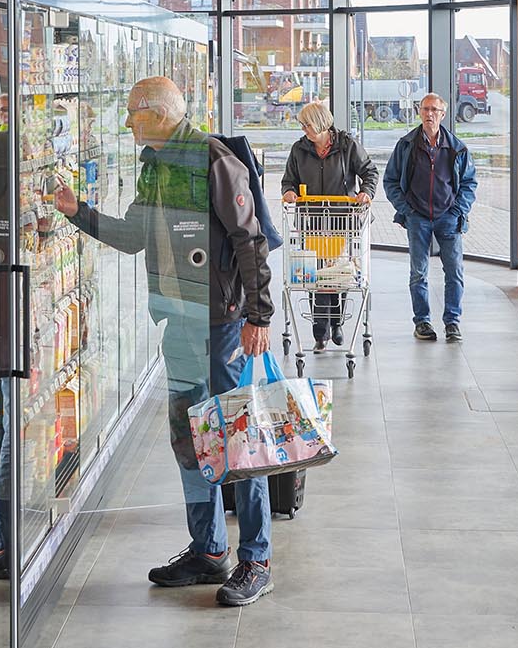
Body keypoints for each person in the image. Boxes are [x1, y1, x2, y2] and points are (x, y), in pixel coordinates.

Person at [54, 76, 276, 607]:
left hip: (223, 328)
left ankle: (257, 558)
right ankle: (208, 550)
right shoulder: (154, 166)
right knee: (190, 438)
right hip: (178, 323)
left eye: (133, 112)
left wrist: (259, 315)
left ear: (157, 113)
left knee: (237, 437)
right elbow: (133, 238)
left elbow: (250, 241)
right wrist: (76, 211)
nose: (127, 121)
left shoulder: (215, 161)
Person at [281, 101, 377, 352]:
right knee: (316, 278)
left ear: (322, 124)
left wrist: (366, 192)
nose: (304, 130)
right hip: (311, 224)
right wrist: (289, 192)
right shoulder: (299, 149)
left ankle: (337, 324)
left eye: (307, 124)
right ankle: (320, 332)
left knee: (339, 275)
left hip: (341, 222)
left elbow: (370, 172)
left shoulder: (348, 146)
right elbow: (288, 180)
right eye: (302, 125)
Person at [383, 92, 478, 342]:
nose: (429, 114)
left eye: (434, 110)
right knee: (418, 273)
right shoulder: (406, 145)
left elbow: (469, 183)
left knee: (454, 272)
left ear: (443, 115)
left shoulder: (457, 148)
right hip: (418, 217)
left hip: (449, 217)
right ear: (419, 112)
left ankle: (452, 322)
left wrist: (458, 211)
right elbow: (390, 180)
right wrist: (406, 210)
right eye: (425, 109)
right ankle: (422, 322)